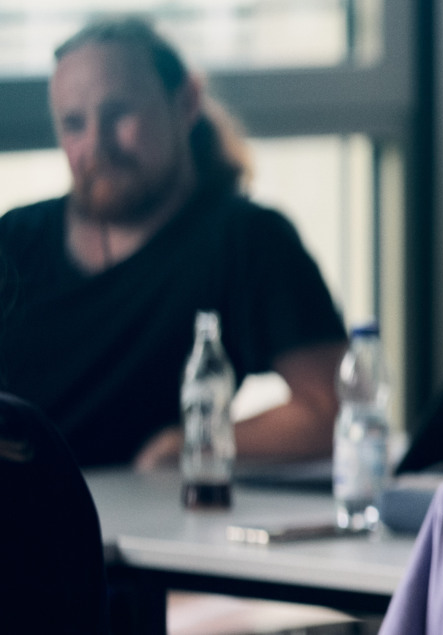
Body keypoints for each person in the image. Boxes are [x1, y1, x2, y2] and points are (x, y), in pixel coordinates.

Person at [0, 18, 348, 469]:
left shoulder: (247, 240)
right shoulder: (15, 240)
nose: (96, 144)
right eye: (73, 124)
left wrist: (187, 444)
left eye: (119, 114)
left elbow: (332, 408)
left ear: (186, 103)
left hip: (145, 524)